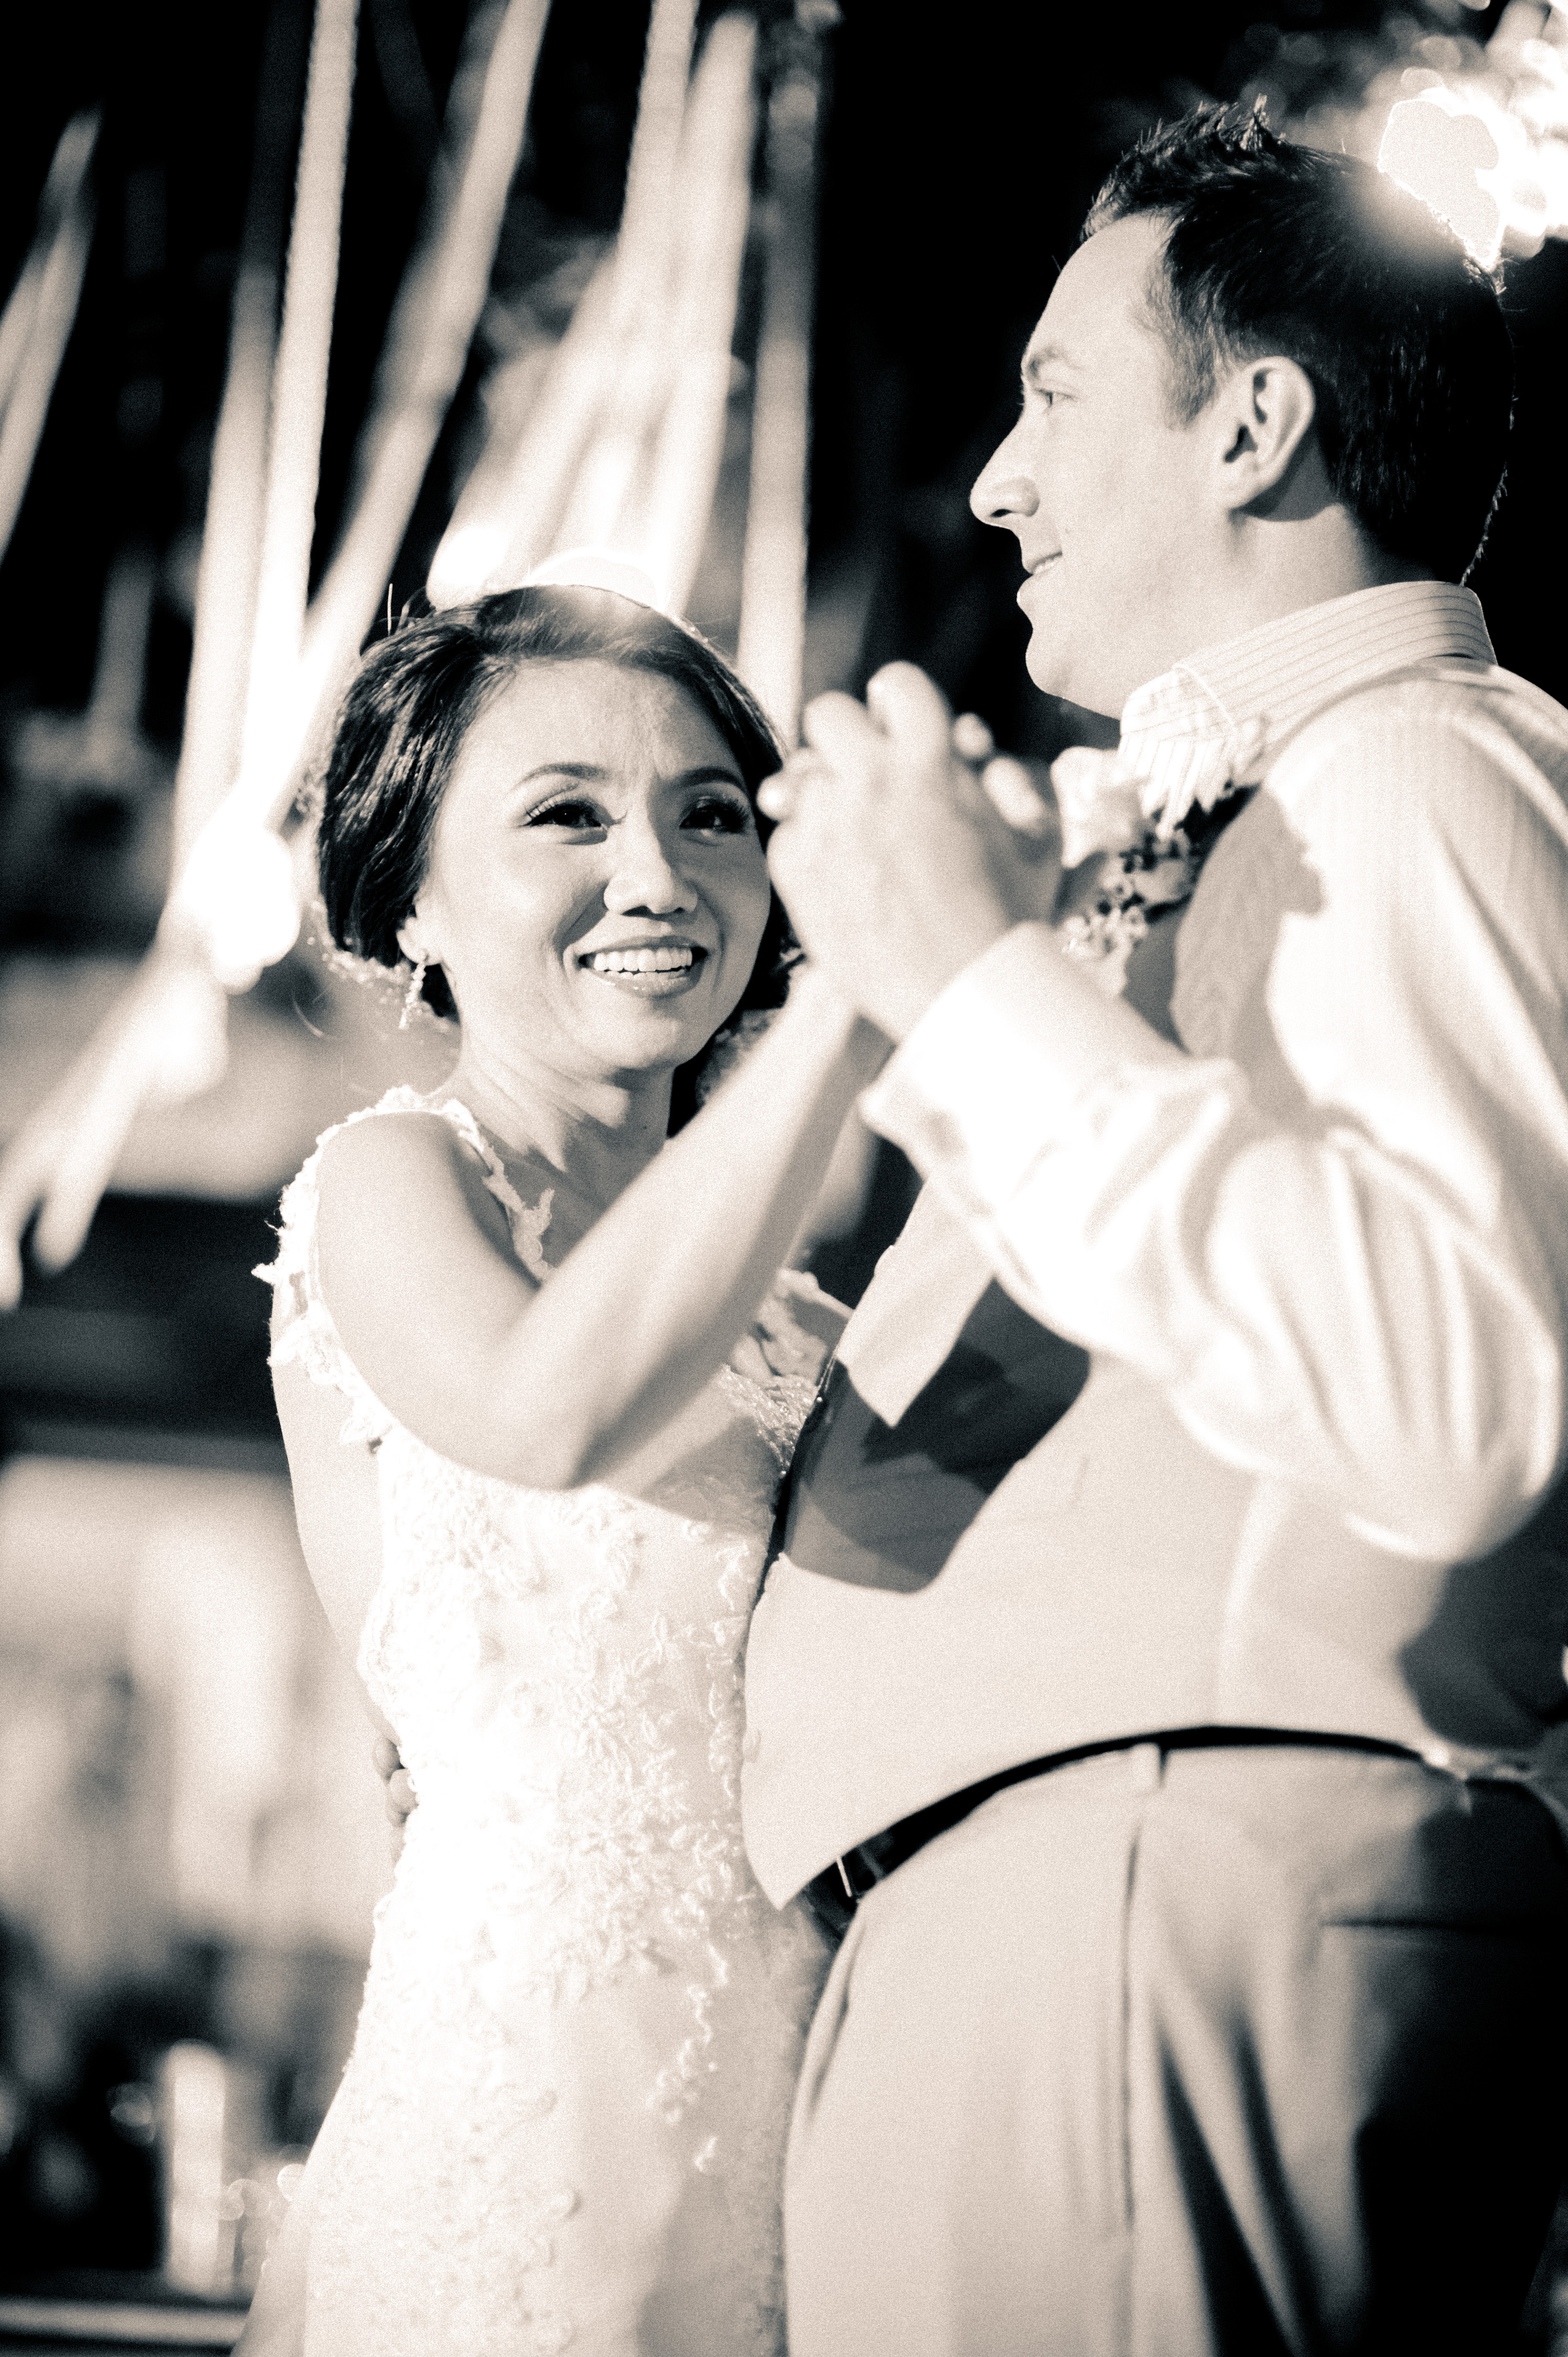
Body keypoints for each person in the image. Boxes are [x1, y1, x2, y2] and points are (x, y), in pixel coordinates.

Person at [739, 106, 1568, 2354]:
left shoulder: (1418, 770)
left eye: (1057, 393)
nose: (995, 480)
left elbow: (1453, 1398)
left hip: (1161, 1880)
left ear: (1253, 425)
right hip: (1061, 1903)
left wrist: (975, 984)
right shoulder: (1259, 813)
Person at [238, 583, 886, 2357]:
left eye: (712, 815)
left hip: (790, 2115)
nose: (659, 876)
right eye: (568, 817)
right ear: (414, 902)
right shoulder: (391, 1183)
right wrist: (858, 1011)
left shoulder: (810, 1335)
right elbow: (542, 1415)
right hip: (523, 2104)